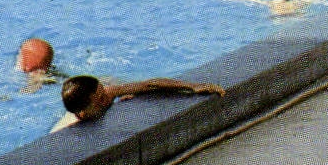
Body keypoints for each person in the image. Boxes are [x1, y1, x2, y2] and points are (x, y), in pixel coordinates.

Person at [51, 72, 225, 132]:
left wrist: (193, 87)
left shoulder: (106, 94)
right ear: (82, 112)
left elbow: (148, 85)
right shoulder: (68, 127)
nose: (108, 96)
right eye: (101, 98)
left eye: (103, 91)